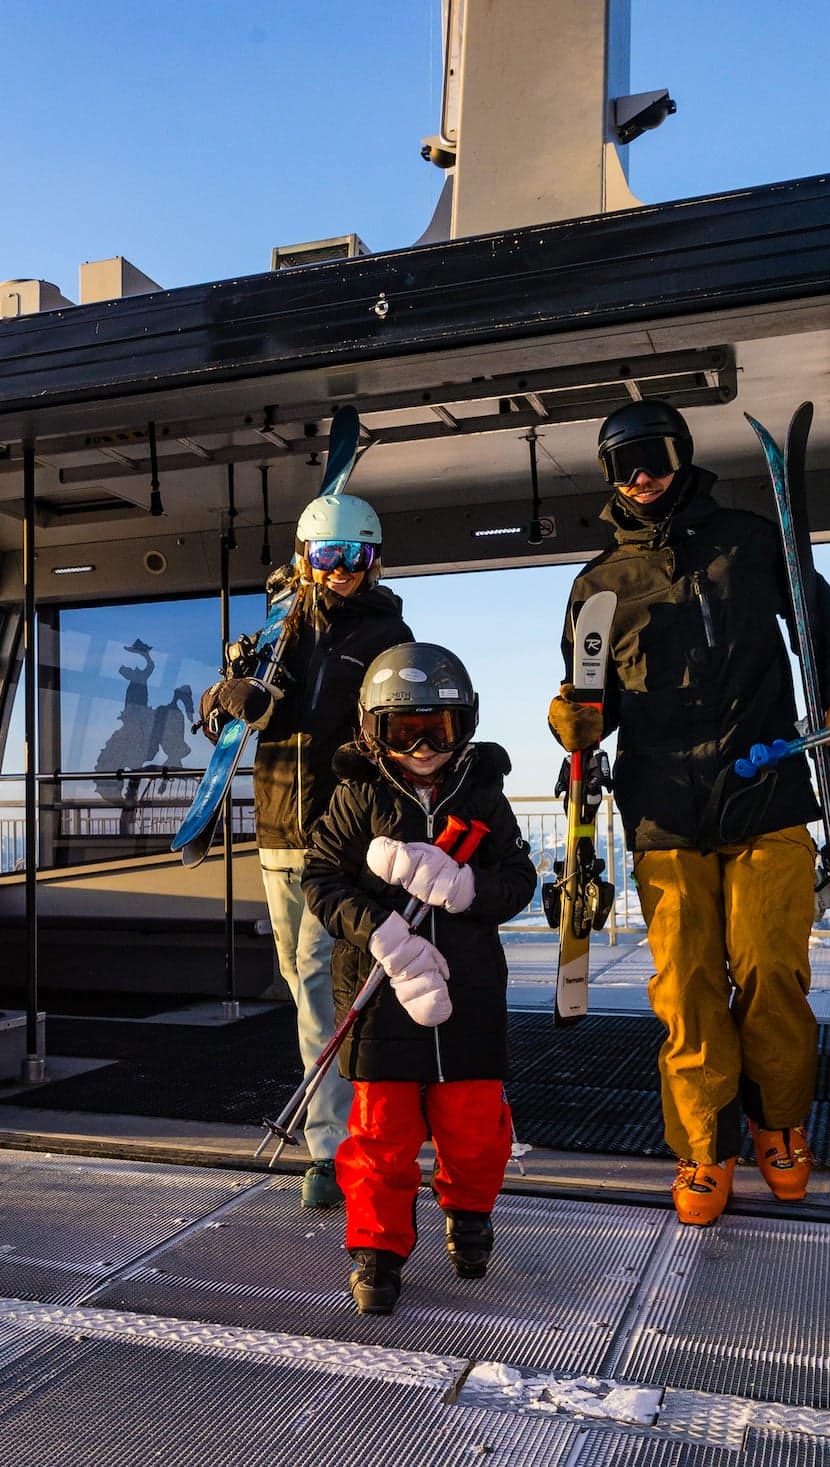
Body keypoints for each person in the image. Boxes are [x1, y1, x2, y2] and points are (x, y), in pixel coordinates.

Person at [549, 400, 830, 1227]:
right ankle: (706, 1144)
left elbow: (826, 618)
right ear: (609, 478)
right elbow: (592, 698)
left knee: (772, 968)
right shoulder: (597, 586)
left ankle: (780, 1122)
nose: (642, 474)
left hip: (764, 791)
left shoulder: (748, 540)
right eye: (623, 463)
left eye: (654, 454)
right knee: (688, 987)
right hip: (663, 810)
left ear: (681, 453)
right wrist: (577, 720)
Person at [303, 643, 536, 1314]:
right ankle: (376, 1250)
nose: (426, 746)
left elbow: (518, 879)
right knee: (382, 1133)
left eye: (442, 728)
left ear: (466, 726)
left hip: (468, 996)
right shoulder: (358, 794)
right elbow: (320, 877)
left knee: (474, 1126)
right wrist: (374, 925)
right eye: (405, 731)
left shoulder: (483, 794)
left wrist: (467, 888)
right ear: (374, 731)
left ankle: (468, 1214)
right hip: (381, 997)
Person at [202, 493, 412, 1209]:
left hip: (337, 836)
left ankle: (330, 1149)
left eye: (355, 556)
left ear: (373, 560)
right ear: (306, 558)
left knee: (319, 981)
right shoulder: (279, 626)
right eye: (328, 556)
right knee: (300, 981)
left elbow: (391, 734)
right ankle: (353, 1126)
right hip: (275, 831)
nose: (342, 570)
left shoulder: (387, 634)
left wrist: (363, 773)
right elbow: (218, 715)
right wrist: (227, 698)